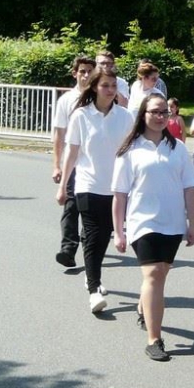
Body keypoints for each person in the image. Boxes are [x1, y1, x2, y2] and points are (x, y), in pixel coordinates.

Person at [112, 93, 194, 362]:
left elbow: (189, 188)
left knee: (160, 274)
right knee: (153, 274)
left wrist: (192, 224)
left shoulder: (178, 149)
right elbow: (120, 194)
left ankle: (143, 307)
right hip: (142, 221)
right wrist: (119, 230)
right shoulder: (130, 150)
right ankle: (154, 339)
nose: (160, 117)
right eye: (154, 112)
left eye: (164, 112)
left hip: (172, 222)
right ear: (143, 115)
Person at [55, 69, 134, 313]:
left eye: (113, 86)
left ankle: (91, 275)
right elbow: (72, 152)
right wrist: (62, 186)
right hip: (87, 185)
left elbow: (133, 152)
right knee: (91, 234)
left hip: (115, 188)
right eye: (105, 86)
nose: (110, 90)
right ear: (94, 88)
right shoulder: (81, 115)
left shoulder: (125, 117)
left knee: (102, 237)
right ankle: (94, 290)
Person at [52, 54, 95, 268]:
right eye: (82, 71)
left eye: (89, 71)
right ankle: (67, 249)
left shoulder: (100, 99)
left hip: (93, 164)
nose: (86, 75)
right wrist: (57, 165)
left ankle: (89, 245)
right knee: (70, 206)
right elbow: (59, 135)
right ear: (75, 74)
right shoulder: (66, 100)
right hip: (73, 162)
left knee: (89, 208)